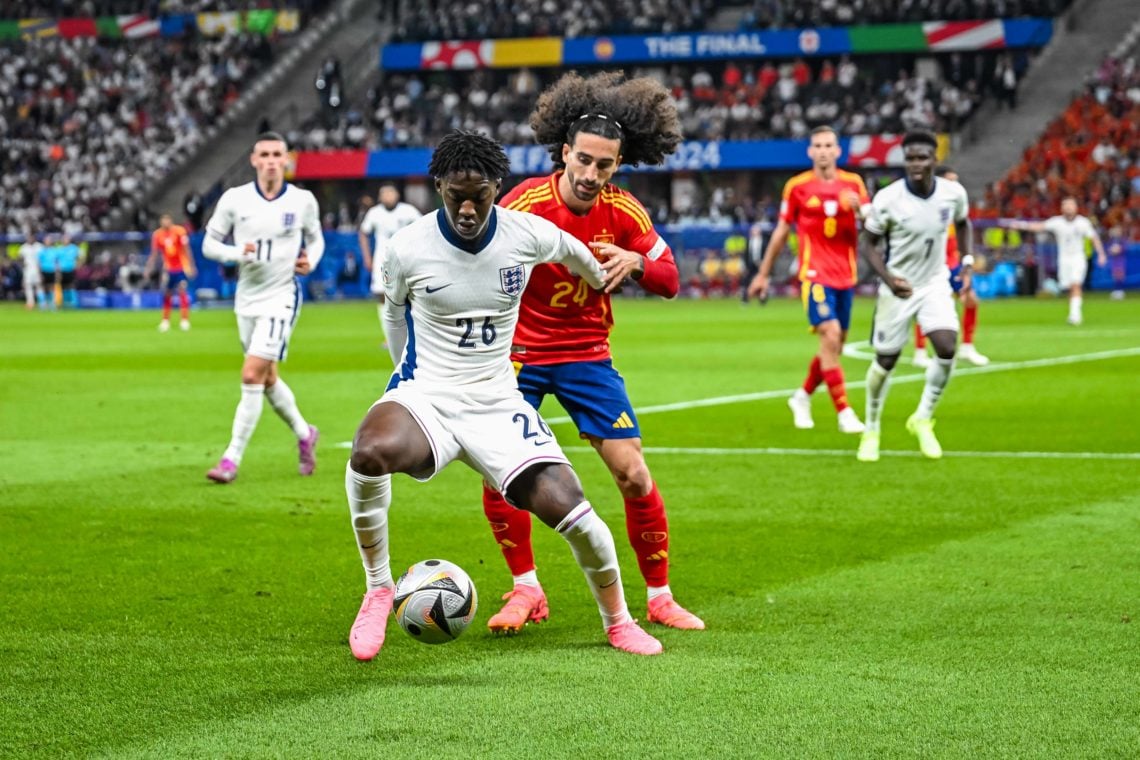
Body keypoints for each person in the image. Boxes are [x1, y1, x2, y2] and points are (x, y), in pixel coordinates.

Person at [344, 130, 663, 659]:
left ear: (498, 187)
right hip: (429, 394)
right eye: (455, 196)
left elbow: (572, 249)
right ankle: (378, 589)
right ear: (438, 186)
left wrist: (600, 274)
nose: (468, 208)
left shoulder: (526, 233)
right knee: (369, 451)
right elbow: (394, 313)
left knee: (577, 513)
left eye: (480, 195)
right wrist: (402, 375)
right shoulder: (408, 247)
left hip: (497, 401)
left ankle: (620, 622)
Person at [480, 71, 704, 635]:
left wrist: (637, 264)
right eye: (583, 160)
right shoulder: (523, 204)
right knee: (498, 472)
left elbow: (671, 278)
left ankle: (659, 596)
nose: (590, 175)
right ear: (564, 153)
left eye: (604, 166)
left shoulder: (625, 212)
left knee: (632, 473)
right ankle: (525, 588)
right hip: (521, 357)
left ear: (616, 166)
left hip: (587, 356)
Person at [201, 132, 323, 484]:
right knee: (268, 379)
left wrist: (310, 261)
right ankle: (304, 434)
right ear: (254, 160)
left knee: (251, 374)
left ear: (286, 159)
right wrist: (236, 253)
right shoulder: (235, 199)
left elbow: (315, 239)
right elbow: (209, 243)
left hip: (282, 296)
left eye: (277, 154)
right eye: (264, 154)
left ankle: (231, 458)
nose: (271, 160)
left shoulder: (302, 201)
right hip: (246, 298)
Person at [856, 130, 972, 462]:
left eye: (922, 157)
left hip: (935, 283)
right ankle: (872, 427)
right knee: (886, 360)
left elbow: (963, 224)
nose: (916, 164)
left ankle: (922, 417)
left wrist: (965, 262)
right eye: (910, 158)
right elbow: (868, 244)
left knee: (948, 348)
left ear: (935, 159)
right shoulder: (888, 199)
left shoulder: (952, 194)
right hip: (899, 287)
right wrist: (889, 279)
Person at [747, 125, 870, 434]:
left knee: (834, 346)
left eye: (829, 145)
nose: (824, 150)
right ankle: (844, 412)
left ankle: (801, 396)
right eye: (818, 145)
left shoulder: (854, 184)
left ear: (838, 151)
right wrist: (763, 274)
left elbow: (875, 224)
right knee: (829, 336)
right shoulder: (798, 187)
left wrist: (864, 214)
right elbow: (781, 231)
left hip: (846, 275)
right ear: (810, 151)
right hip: (814, 275)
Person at [913, 166, 988, 368]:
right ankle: (919, 351)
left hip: (953, 264)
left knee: (971, 300)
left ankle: (967, 347)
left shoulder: (956, 208)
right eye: (950, 181)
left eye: (956, 180)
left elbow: (963, 235)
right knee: (925, 305)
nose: (955, 185)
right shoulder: (927, 207)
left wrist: (966, 261)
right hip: (932, 265)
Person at [999, 197, 1107, 325]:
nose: (1068, 208)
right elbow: (1039, 226)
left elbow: (1093, 237)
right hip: (1064, 259)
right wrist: (1021, 225)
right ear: (1062, 208)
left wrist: (1101, 254)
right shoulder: (1057, 222)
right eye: (1065, 205)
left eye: (1070, 205)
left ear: (1076, 207)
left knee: (1075, 284)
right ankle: (1073, 311)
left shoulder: (1082, 223)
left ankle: (1075, 315)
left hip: (1078, 257)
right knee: (1067, 287)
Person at [358, 184, 422, 345]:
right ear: (380, 197)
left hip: (406, 258)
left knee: (411, 295)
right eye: (384, 194)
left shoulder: (408, 211)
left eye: (391, 193)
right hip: (382, 259)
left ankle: (413, 333)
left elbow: (424, 228)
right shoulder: (374, 213)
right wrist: (367, 257)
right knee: (382, 296)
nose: (388, 196)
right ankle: (389, 335)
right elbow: (363, 233)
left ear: (397, 195)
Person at [145, 213, 196, 332]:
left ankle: (184, 320)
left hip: (182, 267)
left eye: (167, 220)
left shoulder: (180, 231)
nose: (165, 222)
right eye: (163, 220)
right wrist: (149, 268)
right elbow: (154, 253)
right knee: (167, 293)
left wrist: (192, 265)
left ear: (171, 221)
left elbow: (186, 249)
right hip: (168, 268)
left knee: (182, 290)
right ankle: (165, 321)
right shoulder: (157, 235)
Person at [18, 229, 44, 310]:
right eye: (29, 237)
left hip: (37, 269)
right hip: (28, 269)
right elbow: (20, 258)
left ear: (34, 238)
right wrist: (22, 264)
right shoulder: (23, 247)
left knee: (39, 285)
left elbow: (43, 259)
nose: (30, 239)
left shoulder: (39, 246)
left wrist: (41, 269)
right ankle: (30, 303)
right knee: (28, 286)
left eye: (32, 237)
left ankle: (42, 302)